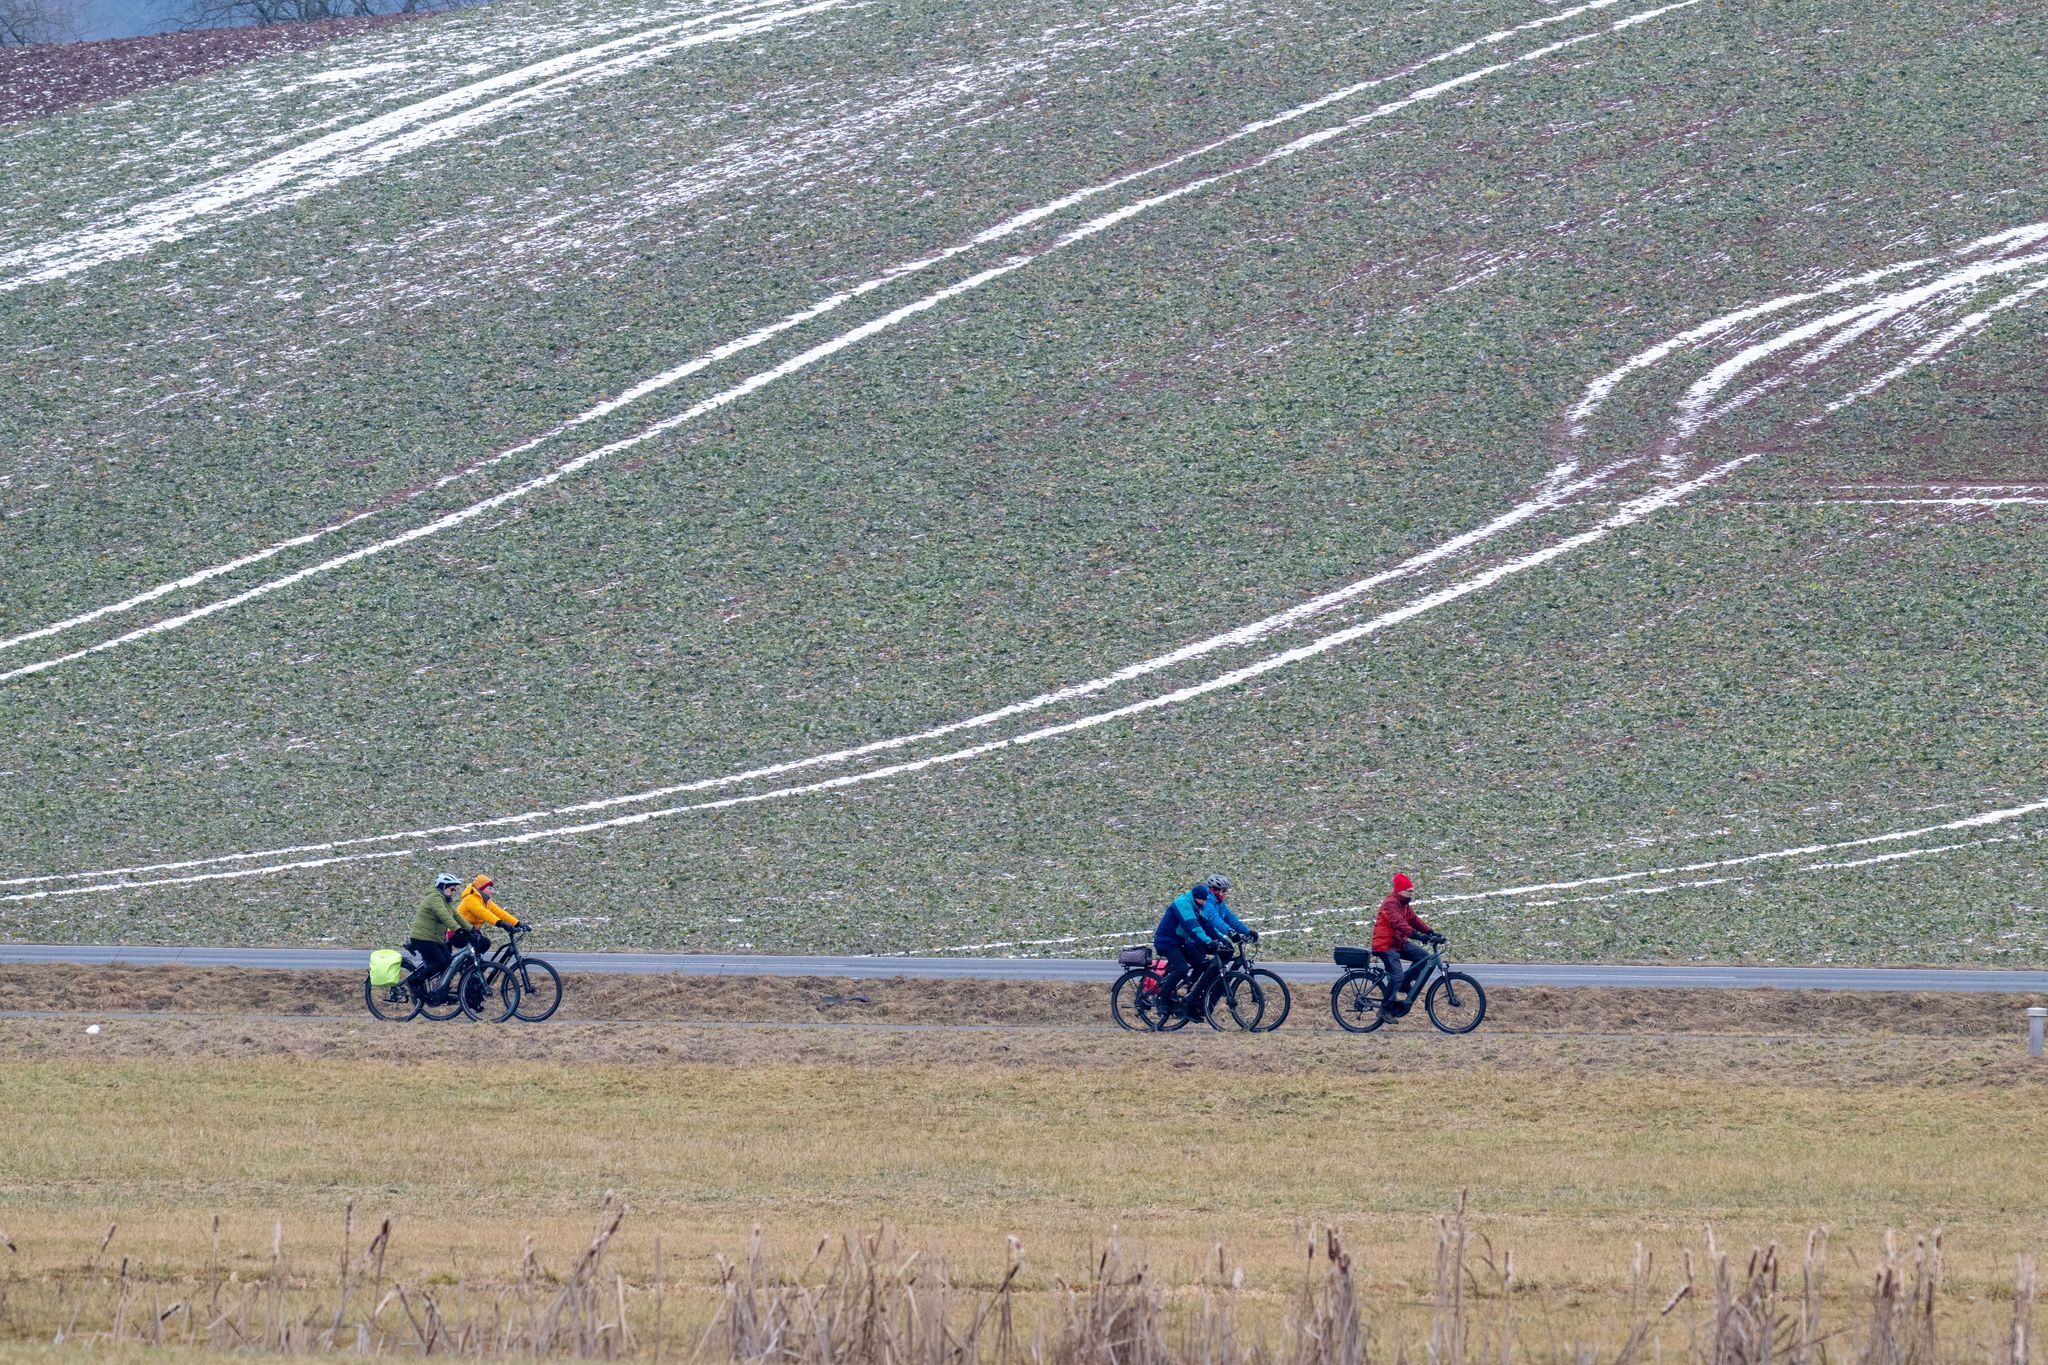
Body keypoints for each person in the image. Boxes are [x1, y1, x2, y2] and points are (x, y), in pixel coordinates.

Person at [1371, 873, 1438, 1018]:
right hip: (1385, 945)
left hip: (1398, 943)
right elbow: (1399, 924)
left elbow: (1414, 920)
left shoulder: (1404, 904)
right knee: (1397, 976)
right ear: (1400, 890)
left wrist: (1430, 932)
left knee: (1424, 957)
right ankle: (1384, 1009)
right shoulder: (1390, 903)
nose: (1411, 893)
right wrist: (1417, 936)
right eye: (1409, 891)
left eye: (1412, 891)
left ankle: (1404, 983)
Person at [408, 873, 467, 996]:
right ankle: (414, 981)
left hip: (434, 939)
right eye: (452, 889)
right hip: (422, 938)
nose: (454, 891)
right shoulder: (435, 898)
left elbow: (456, 916)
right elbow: (443, 915)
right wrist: (457, 929)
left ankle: (441, 993)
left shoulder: (446, 901)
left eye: (455, 889)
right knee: (440, 963)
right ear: (443, 886)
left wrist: (471, 929)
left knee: (449, 963)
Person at [455, 874, 519, 955]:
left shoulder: (485, 901)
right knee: (482, 943)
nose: (493, 891)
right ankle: (467, 963)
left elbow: (499, 912)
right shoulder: (470, 899)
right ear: (481, 889)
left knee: (484, 944)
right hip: (458, 932)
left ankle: (474, 962)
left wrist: (517, 923)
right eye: (490, 888)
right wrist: (501, 923)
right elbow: (483, 913)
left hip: (471, 931)